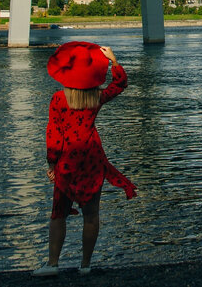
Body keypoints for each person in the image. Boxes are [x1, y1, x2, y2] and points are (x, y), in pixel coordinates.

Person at [33, 41, 137, 277]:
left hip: (68, 159)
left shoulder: (59, 99)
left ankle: (52, 264)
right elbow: (120, 84)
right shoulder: (96, 98)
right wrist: (114, 60)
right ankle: (86, 265)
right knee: (91, 214)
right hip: (92, 157)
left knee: (59, 213)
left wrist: (52, 163)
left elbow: (54, 133)